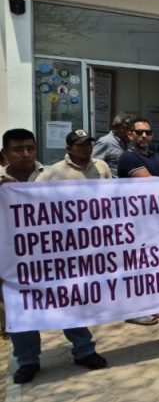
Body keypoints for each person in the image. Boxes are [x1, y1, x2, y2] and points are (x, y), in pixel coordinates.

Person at [1, 128, 108, 384]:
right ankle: (27, 361)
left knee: (69, 301)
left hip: (53, 253)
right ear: (5, 153)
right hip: (12, 258)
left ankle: (84, 350)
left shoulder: (52, 175)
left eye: (30, 148)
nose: (25, 154)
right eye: (17, 149)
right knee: (20, 309)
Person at [117, 119, 159, 325]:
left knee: (153, 265)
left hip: (154, 221)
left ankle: (153, 304)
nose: (144, 136)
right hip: (133, 222)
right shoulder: (128, 157)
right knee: (135, 268)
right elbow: (150, 182)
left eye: (148, 132)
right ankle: (133, 310)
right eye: (139, 132)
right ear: (130, 135)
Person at [36, 130, 112, 181]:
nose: (86, 148)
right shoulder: (54, 170)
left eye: (88, 144)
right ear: (69, 149)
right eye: (80, 145)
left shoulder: (102, 165)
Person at [91, 114, 129, 178]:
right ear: (114, 129)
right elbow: (94, 164)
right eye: (124, 129)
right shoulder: (105, 142)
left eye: (128, 128)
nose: (127, 131)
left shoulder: (127, 141)